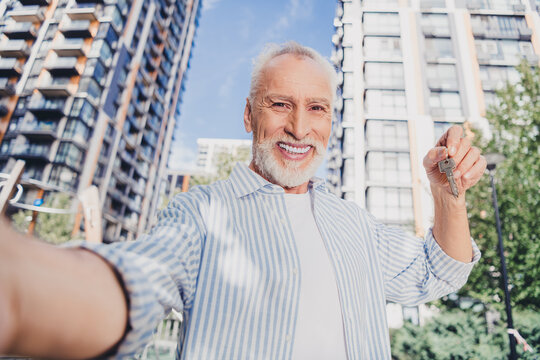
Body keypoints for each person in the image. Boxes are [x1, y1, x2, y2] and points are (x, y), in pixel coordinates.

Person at [0, 41, 486, 359]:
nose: (299, 127)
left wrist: (448, 199)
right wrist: (24, 289)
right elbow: (135, 278)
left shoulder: (354, 224)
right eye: (281, 105)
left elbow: (440, 271)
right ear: (249, 116)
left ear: (330, 123)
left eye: (316, 108)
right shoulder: (201, 212)